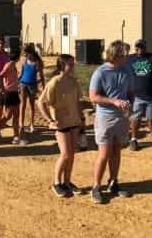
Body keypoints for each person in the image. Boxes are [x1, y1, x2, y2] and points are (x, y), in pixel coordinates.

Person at [89, 40, 133, 204]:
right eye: (125, 54)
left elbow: (129, 92)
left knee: (116, 151)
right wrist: (113, 101)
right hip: (105, 117)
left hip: (122, 117)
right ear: (116, 55)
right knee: (104, 153)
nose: (127, 57)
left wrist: (130, 105)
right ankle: (96, 187)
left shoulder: (126, 70)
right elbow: (93, 97)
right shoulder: (100, 73)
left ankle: (113, 182)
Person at [38, 54, 85, 198]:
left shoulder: (74, 82)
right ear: (62, 66)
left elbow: (78, 102)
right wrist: (49, 121)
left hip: (74, 122)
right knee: (65, 154)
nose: (72, 67)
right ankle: (57, 183)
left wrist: (82, 119)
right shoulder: (54, 82)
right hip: (61, 124)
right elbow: (40, 103)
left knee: (71, 155)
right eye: (70, 64)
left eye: (73, 64)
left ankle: (67, 182)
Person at [127, 39, 152, 152]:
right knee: (136, 118)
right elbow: (123, 74)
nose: (139, 49)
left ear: (145, 47)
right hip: (136, 97)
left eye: (141, 47)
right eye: (137, 47)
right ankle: (133, 140)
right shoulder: (129, 59)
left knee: (151, 118)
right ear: (135, 48)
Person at [0, 50, 27, 144]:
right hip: (10, 93)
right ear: (18, 57)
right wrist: (3, 89)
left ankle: (16, 137)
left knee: (15, 116)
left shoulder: (12, 65)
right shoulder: (9, 65)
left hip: (14, 93)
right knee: (8, 115)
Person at [19, 45, 45, 133]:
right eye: (24, 54)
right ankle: (21, 125)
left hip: (32, 86)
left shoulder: (37, 63)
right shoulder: (24, 61)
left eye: (26, 53)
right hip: (23, 85)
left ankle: (31, 125)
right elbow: (21, 74)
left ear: (31, 53)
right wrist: (16, 83)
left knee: (32, 105)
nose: (25, 55)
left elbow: (41, 76)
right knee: (23, 105)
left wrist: (43, 86)